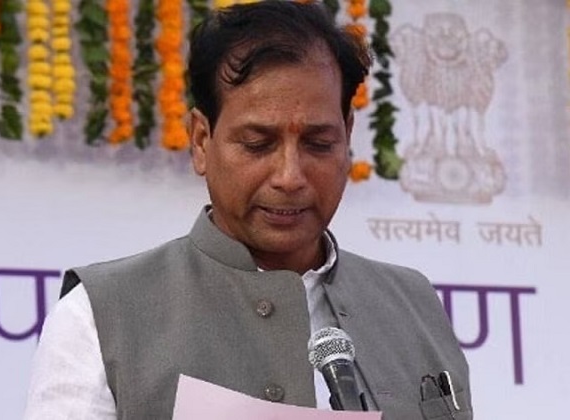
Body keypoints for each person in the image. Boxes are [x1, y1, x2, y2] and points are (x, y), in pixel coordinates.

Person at [23, 1, 472, 419]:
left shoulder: (413, 304)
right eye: (258, 144)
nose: (290, 176)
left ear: (347, 137)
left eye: (319, 143)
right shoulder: (100, 315)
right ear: (202, 141)